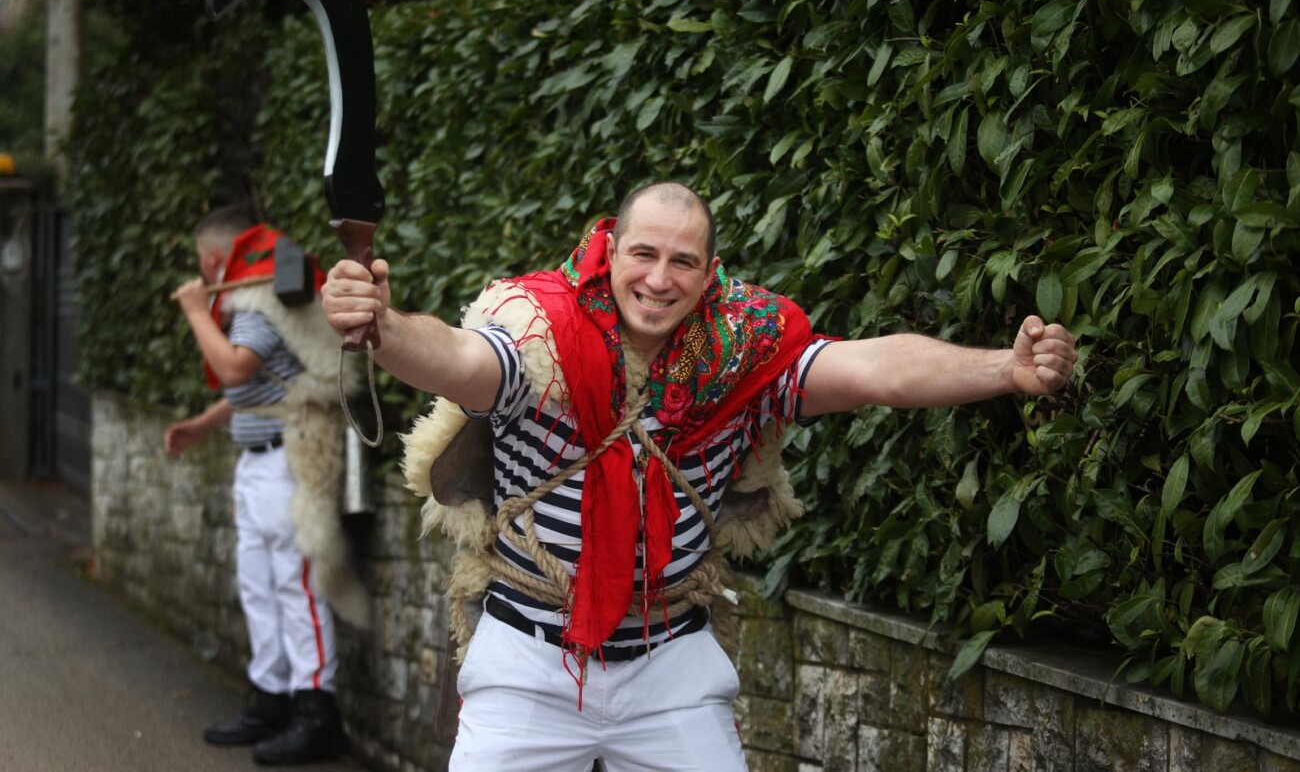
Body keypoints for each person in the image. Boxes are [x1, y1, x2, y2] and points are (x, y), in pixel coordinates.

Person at [321, 182, 1078, 771]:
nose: (659, 278)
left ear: (709, 271)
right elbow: (454, 357)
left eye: (683, 261)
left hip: (669, 664)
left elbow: (874, 366)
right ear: (609, 248)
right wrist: (382, 327)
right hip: (528, 659)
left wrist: (1005, 370)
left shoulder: (742, 350)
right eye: (643, 254)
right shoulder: (540, 332)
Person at [167, 205, 362, 766]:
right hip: (259, 462)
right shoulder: (258, 294)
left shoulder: (256, 299)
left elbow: (235, 368)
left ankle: (317, 711)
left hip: (288, 464)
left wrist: (193, 309)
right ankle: (271, 697)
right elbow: (255, 389)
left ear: (210, 259)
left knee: (296, 587)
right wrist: (202, 425)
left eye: (200, 265)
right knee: (259, 582)